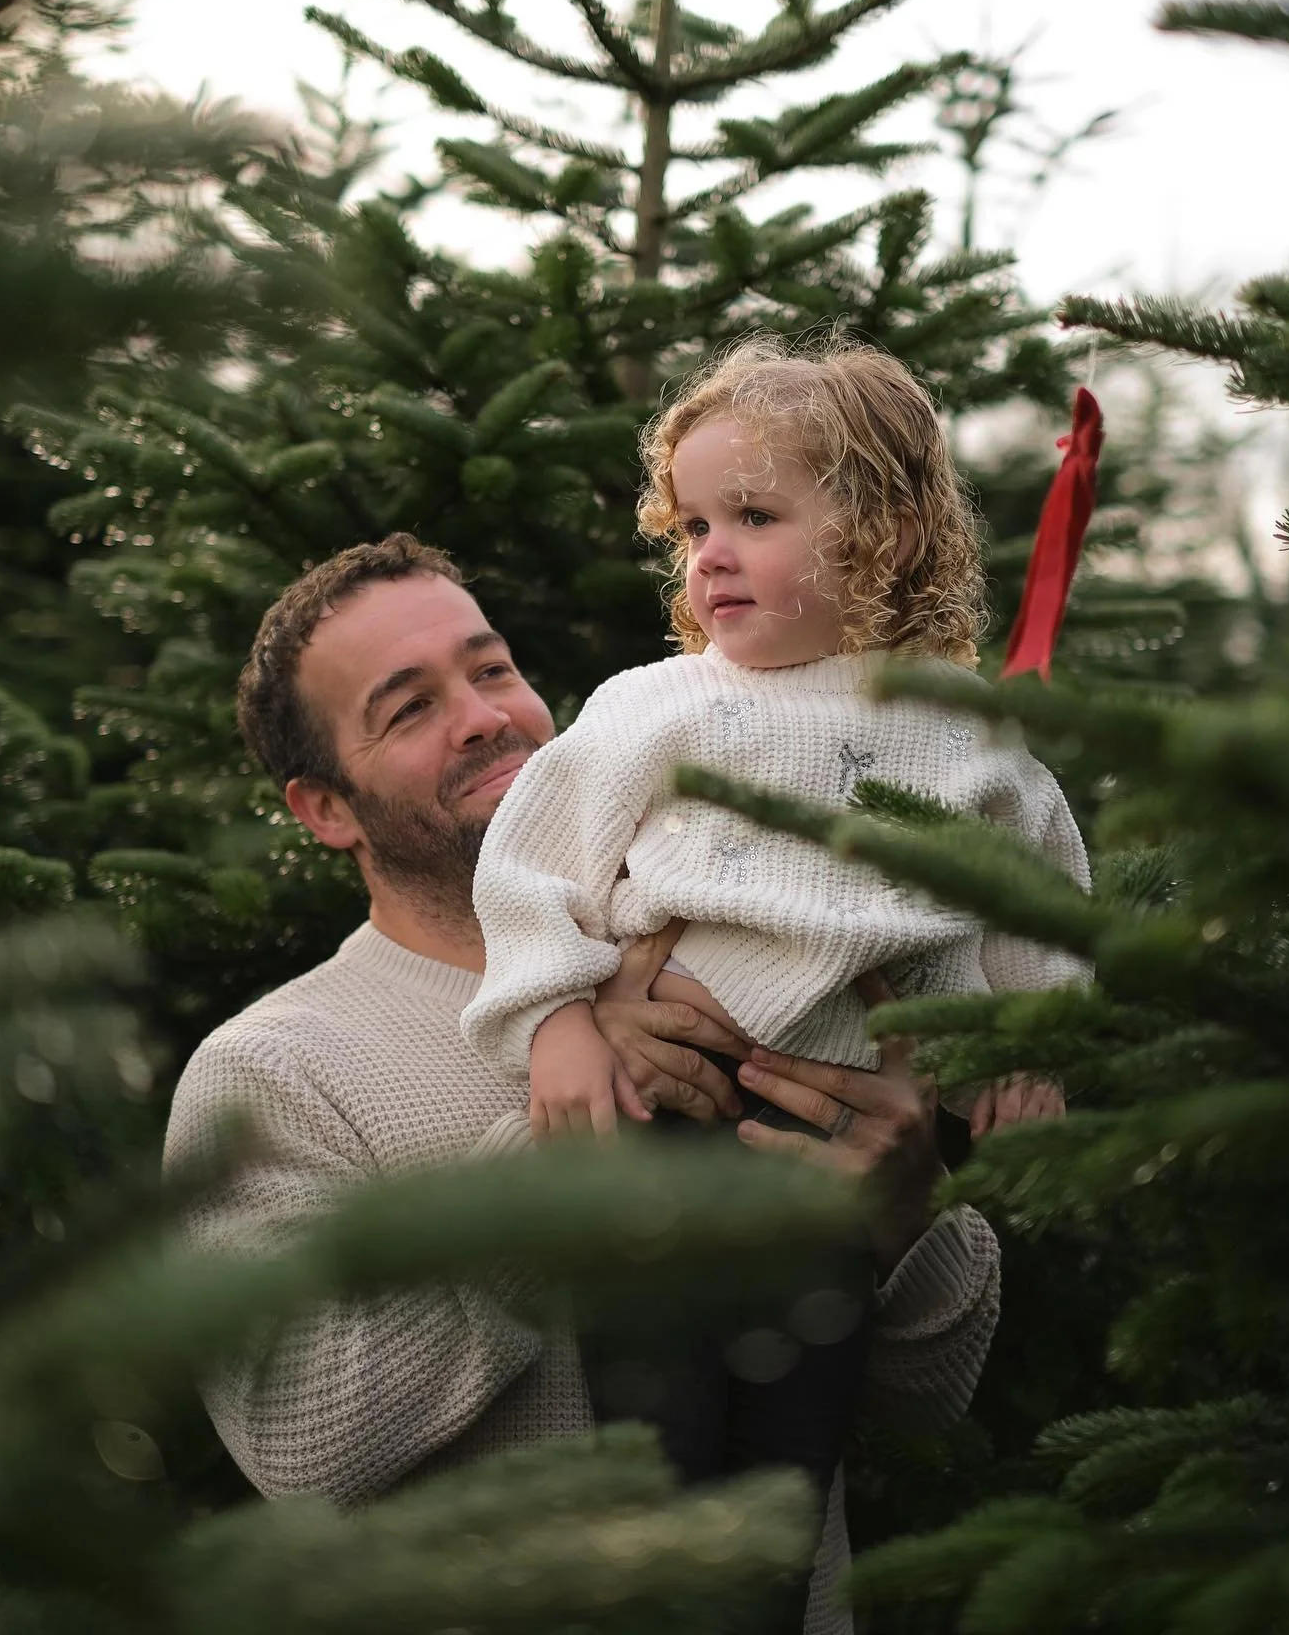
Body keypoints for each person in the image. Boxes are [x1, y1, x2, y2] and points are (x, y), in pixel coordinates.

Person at [163, 532, 1004, 1635]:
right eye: (407, 708)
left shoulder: (744, 951)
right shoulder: (271, 1070)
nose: (482, 716)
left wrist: (906, 1214)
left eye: (492, 667)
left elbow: (932, 1401)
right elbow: (303, 1438)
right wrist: (562, 1135)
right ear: (326, 809)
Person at [461, 337, 1089, 1620]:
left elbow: (1037, 890)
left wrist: (1032, 1045)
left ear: (891, 532)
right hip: (663, 1139)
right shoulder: (657, 706)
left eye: (755, 516)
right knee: (666, 1441)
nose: (711, 554)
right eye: (694, 524)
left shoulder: (962, 724)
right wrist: (558, 1025)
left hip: (825, 1166)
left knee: (787, 1483)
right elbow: (530, 873)